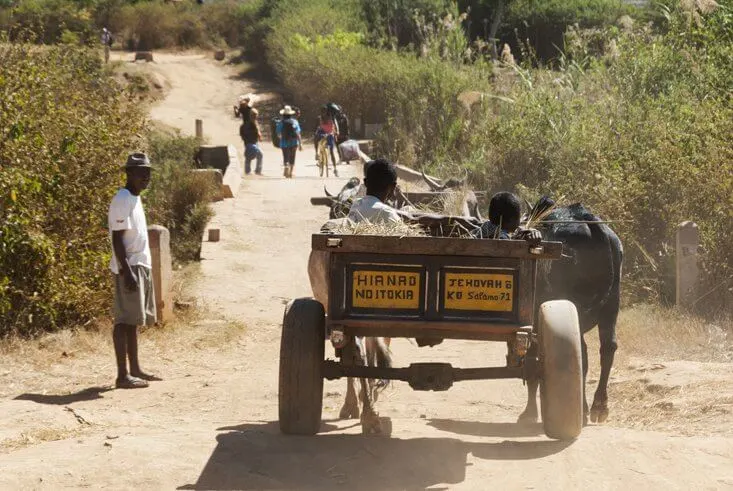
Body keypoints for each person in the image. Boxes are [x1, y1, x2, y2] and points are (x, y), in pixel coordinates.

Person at [108, 153, 161, 389]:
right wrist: (126, 271)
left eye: (148, 173)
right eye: (141, 173)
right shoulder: (122, 198)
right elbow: (117, 239)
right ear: (128, 173)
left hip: (140, 265)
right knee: (123, 321)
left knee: (133, 321)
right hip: (128, 267)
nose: (145, 177)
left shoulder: (135, 198)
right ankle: (122, 376)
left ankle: (135, 369)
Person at [347, 159, 401, 224]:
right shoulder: (387, 212)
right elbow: (404, 231)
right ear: (392, 187)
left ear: (365, 183)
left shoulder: (356, 205)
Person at [276, 105, 302, 178]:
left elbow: (278, 133)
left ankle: (286, 165)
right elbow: (298, 133)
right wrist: (300, 144)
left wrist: (282, 138)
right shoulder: (295, 122)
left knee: (285, 156)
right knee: (292, 156)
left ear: (283, 114)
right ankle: (291, 172)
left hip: (284, 142)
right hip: (294, 142)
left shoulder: (281, 122)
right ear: (291, 114)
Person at [314, 106, 340, 177]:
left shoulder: (331, 118)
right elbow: (317, 127)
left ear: (327, 112)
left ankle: (335, 169)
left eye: (324, 111)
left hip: (330, 134)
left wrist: (336, 132)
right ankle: (316, 153)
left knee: (331, 152)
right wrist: (317, 131)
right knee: (315, 138)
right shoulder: (319, 118)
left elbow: (335, 126)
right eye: (322, 112)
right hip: (322, 133)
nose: (323, 113)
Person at [240, 107, 263, 175]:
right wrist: (259, 136)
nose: (256, 117)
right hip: (251, 143)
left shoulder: (246, 124)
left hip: (249, 143)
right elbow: (258, 134)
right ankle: (257, 171)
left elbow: (242, 133)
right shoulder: (252, 123)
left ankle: (247, 171)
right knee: (260, 155)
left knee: (248, 157)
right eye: (255, 115)